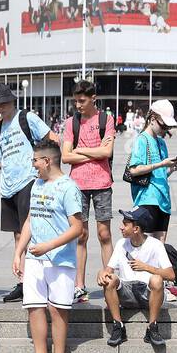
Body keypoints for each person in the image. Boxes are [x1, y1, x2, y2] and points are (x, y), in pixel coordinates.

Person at [9, 139, 84, 353]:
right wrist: (19, 251)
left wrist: (49, 246)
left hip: (61, 259)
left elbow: (78, 228)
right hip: (35, 258)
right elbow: (30, 219)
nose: (33, 165)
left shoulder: (68, 187)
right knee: (35, 306)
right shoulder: (37, 185)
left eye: (35, 160)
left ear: (47, 161)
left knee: (58, 309)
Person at [0, 83, 57, 303]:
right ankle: (23, 283)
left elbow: (52, 138)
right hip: (8, 187)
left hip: (29, 181)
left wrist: (49, 171)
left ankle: (39, 281)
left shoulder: (27, 118)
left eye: (2, 103)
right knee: (18, 235)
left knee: (34, 232)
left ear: (12, 101)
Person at [62, 80, 118, 305]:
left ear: (93, 98)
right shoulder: (70, 123)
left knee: (104, 234)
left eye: (82, 100)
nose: (78, 105)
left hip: (102, 182)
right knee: (80, 235)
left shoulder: (106, 120)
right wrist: (96, 153)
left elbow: (108, 151)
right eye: (75, 100)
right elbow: (66, 157)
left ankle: (110, 280)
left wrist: (81, 150)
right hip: (77, 184)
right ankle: (78, 286)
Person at [100, 207, 173, 347]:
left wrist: (146, 267)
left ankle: (152, 327)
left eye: (125, 224)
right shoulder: (121, 244)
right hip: (127, 291)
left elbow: (171, 275)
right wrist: (102, 275)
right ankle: (118, 326)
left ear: (136, 229)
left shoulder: (155, 245)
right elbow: (108, 269)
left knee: (157, 279)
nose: (121, 227)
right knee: (109, 279)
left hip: (147, 292)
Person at [125, 99, 177, 242]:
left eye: (168, 127)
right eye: (164, 125)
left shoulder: (161, 142)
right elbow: (134, 170)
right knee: (146, 247)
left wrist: (171, 169)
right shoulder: (142, 140)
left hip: (163, 199)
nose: (165, 130)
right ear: (152, 118)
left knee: (159, 249)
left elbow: (159, 173)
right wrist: (162, 164)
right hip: (147, 199)